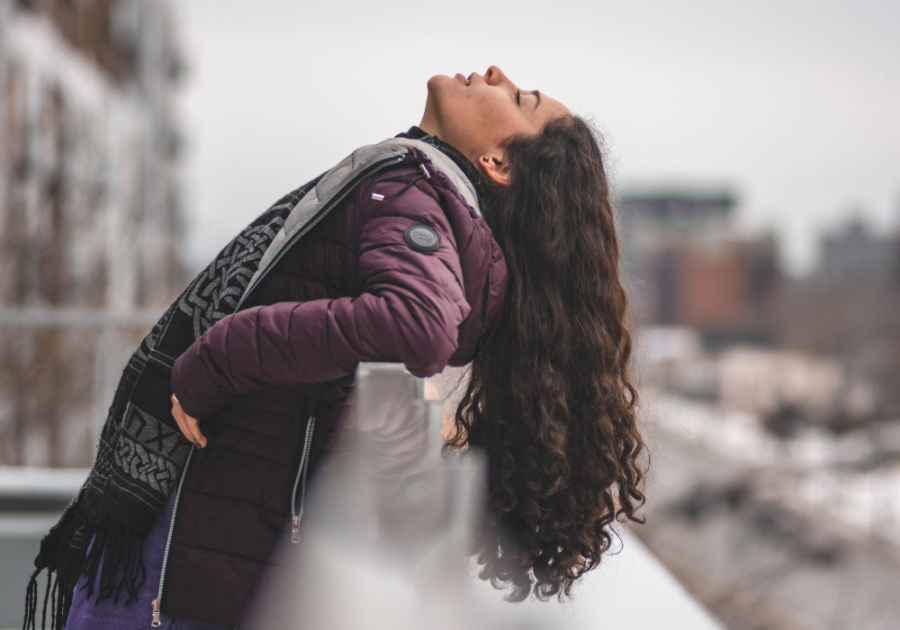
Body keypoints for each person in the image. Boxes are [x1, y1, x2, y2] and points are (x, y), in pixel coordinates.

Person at [29, 66, 646, 630]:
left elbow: (418, 321)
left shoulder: (412, 189)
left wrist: (217, 355)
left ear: (496, 163)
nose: (495, 74)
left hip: (193, 551)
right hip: (226, 539)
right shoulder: (420, 193)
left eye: (518, 98)